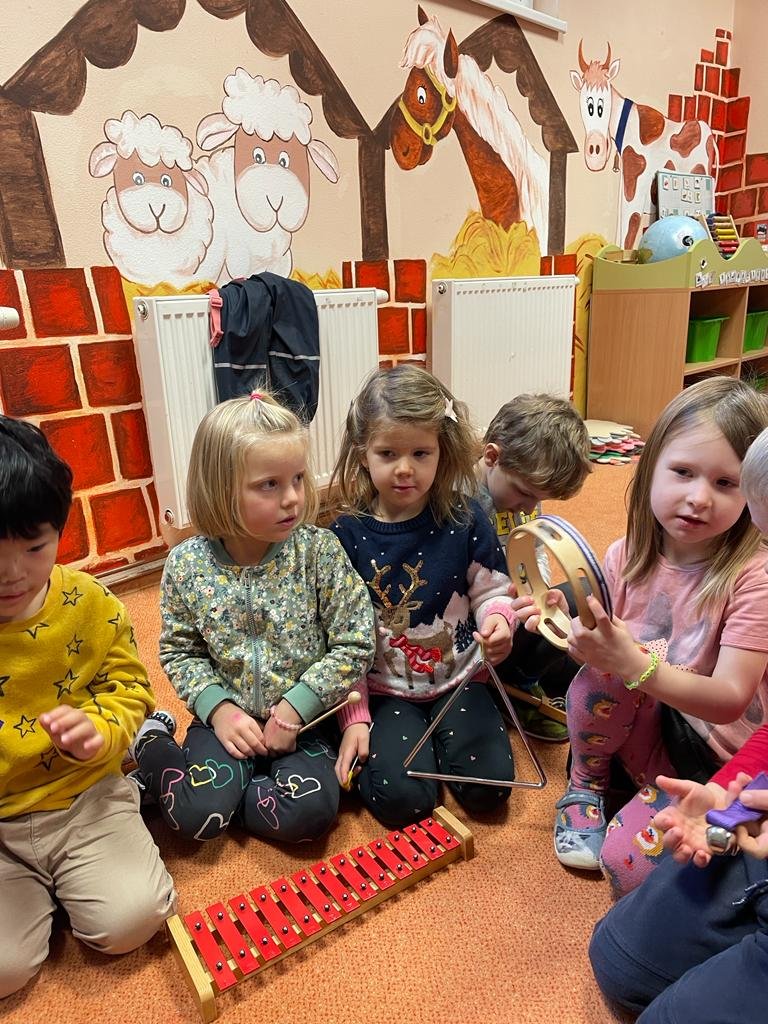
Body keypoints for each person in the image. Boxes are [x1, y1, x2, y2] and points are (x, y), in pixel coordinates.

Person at [513, 376, 768, 891]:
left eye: (725, 483)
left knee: (624, 865)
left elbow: (729, 700)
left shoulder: (755, 578)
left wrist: (632, 663)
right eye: (683, 472)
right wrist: (568, 625)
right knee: (601, 671)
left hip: (712, 757)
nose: (698, 498)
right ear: (649, 467)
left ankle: (639, 790)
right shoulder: (625, 555)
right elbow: (601, 647)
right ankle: (586, 784)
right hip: (646, 719)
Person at [130, 391, 375, 844]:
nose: (293, 498)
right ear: (221, 489)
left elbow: (356, 641)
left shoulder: (319, 551)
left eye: (298, 478)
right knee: (194, 819)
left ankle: (229, 796)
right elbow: (180, 652)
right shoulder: (186, 565)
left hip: (304, 725)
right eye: (270, 485)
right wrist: (218, 709)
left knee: (312, 815)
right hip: (226, 720)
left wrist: (296, 706)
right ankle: (152, 742)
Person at [0, 416, 175, 999]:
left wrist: (100, 730)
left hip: (84, 796)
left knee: (133, 919)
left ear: (60, 530)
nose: (12, 573)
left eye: (34, 547)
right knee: (4, 970)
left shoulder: (90, 603)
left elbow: (129, 685)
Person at [328, 365, 517, 829]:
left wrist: (499, 622)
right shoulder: (344, 536)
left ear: (442, 450)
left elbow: (492, 590)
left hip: (460, 679)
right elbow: (339, 639)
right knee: (403, 803)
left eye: (420, 453)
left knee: (489, 791)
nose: (404, 468)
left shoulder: (467, 518)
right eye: (387, 453)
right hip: (385, 690)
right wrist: (354, 715)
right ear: (362, 454)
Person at [476, 393, 592, 742]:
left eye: (539, 499)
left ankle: (527, 675)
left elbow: (534, 548)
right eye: (525, 494)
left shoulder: (523, 497)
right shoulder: (462, 503)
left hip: (515, 606)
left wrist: (538, 586)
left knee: (585, 597)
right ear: (492, 457)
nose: (529, 507)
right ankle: (515, 688)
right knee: (558, 641)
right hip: (482, 625)